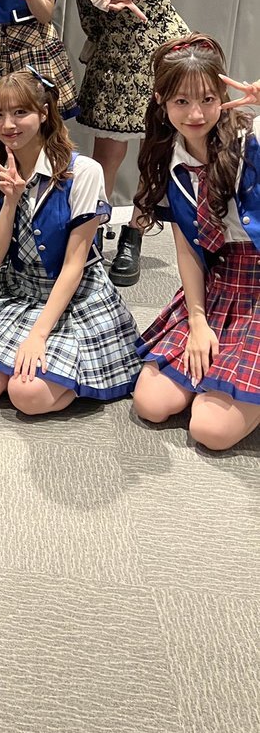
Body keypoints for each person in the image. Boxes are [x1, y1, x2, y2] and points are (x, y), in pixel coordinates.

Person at [0, 70, 140, 414]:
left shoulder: (83, 172)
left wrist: (38, 335)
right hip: (17, 289)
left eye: (20, 112)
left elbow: (75, 265)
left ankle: (80, 375)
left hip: (73, 294)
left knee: (26, 395)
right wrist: (10, 201)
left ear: (44, 113)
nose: (8, 124)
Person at [132, 35, 260, 450]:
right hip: (218, 283)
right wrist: (198, 322)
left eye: (207, 99)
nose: (196, 114)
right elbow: (187, 248)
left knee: (210, 429)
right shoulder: (168, 158)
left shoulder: (251, 141)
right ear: (161, 101)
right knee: (151, 404)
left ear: (222, 96)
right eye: (181, 101)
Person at [74, 0, 189, 288]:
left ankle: (135, 234)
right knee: (105, 154)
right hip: (113, 60)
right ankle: (93, 230)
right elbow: (89, 17)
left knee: (151, 152)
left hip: (155, 58)